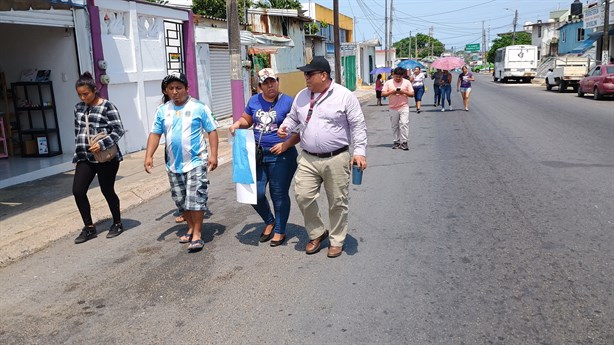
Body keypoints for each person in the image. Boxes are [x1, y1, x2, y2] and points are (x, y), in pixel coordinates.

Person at [277, 56, 367, 258]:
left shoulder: (344, 96)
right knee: (303, 195)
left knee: (337, 201)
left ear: (323, 75)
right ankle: (317, 232)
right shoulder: (301, 96)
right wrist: (285, 128)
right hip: (308, 157)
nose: (305, 78)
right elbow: (293, 118)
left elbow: (358, 125)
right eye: (305, 74)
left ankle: (336, 240)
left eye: (309, 74)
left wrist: (359, 152)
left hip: (336, 157)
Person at [144, 72, 219, 252]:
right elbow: (155, 134)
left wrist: (214, 155)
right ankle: (191, 226)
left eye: (179, 88)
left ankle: (197, 234)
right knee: (181, 200)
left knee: (196, 197)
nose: (175, 92)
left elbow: (212, 131)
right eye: (171, 89)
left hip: (196, 161)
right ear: (166, 91)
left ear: (187, 88)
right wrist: (149, 156)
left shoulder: (199, 107)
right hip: (173, 164)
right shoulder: (163, 110)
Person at [229, 68, 299, 247]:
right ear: (259, 86)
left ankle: (280, 230)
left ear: (277, 81)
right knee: (256, 192)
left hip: (282, 156)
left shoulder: (289, 102)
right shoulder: (254, 100)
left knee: (278, 193)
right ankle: (269, 220)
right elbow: (247, 119)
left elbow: (301, 130)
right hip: (258, 154)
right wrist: (238, 124)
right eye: (266, 83)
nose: (270, 86)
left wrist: (285, 145)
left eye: (273, 81)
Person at [72, 71, 125, 244]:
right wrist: (79, 153)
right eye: (79, 94)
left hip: (105, 157)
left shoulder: (107, 106)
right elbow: (78, 131)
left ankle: (117, 223)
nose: (82, 97)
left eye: (85, 94)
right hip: (85, 157)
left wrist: (101, 144)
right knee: (78, 191)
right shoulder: (78, 108)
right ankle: (89, 228)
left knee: (107, 190)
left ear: (94, 90)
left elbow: (118, 130)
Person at [381, 67, 413, 150]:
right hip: (393, 107)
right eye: (396, 76)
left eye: (399, 77)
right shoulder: (388, 83)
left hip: (404, 106)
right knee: (394, 125)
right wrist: (392, 92)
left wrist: (403, 92)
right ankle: (396, 141)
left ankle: (404, 142)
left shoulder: (407, 82)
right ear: (393, 75)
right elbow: (383, 94)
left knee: (404, 124)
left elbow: (412, 94)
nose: (398, 78)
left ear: (402, 76)